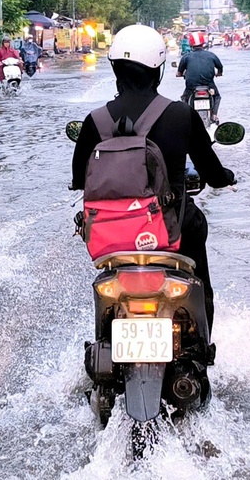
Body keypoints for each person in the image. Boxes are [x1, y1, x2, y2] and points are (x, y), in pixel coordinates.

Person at [70, 24, 236, 331]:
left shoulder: (95, 121)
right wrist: (226, 176)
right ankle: (202, 344)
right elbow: (212, 174)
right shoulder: (181, 114)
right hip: (173, 230)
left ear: (115, 68)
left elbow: (80, 179)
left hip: (112, 236)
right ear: (158, 69)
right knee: (199, 272)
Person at [177, 40, 225, 121]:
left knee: (184, 98)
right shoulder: (211, 55)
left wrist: (180, 74)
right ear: (203, 44)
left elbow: (179, 73)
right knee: (217, 96)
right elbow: (220, 67)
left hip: (191, 86)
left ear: (191, 45)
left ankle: (187, 116)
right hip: (209, 85)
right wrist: (219, 73)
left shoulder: (186, 56)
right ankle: (214, 115)